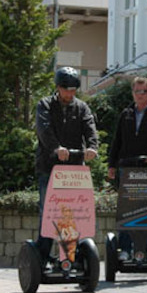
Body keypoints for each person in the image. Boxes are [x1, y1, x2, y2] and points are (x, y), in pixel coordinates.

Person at [35, 66, 99, 260]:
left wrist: (92, 147)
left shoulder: (81, 107)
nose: (70, 94)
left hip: (74, 171)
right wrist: (56, 148)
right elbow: (44, 129)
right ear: (58, 87)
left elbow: (90, 127)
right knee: (49, 213)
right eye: (67, 90)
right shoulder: (45, 105)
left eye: (73, 90)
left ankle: (71, 255)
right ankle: (43, 256)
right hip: (49, 168)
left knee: (73, 213)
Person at [107, 76, 147, 260]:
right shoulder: (125, 114)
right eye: (136, 91)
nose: (139, 95)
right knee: (127, 209)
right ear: (133, 93)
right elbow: (117, 141)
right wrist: (112, 164)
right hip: (127, 168)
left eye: (143, 92)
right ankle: (125, 249)